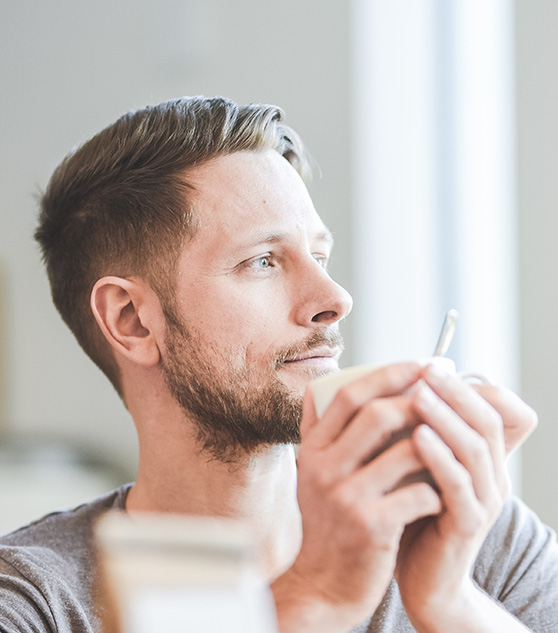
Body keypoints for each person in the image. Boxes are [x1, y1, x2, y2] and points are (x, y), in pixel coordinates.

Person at [0, 95, 555, 633]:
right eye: (263, 261)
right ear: (132, 321)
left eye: (319, 255)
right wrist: (314, 596)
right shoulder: (31, 600)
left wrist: (452, 603)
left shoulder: (477, 542)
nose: (335, 297)